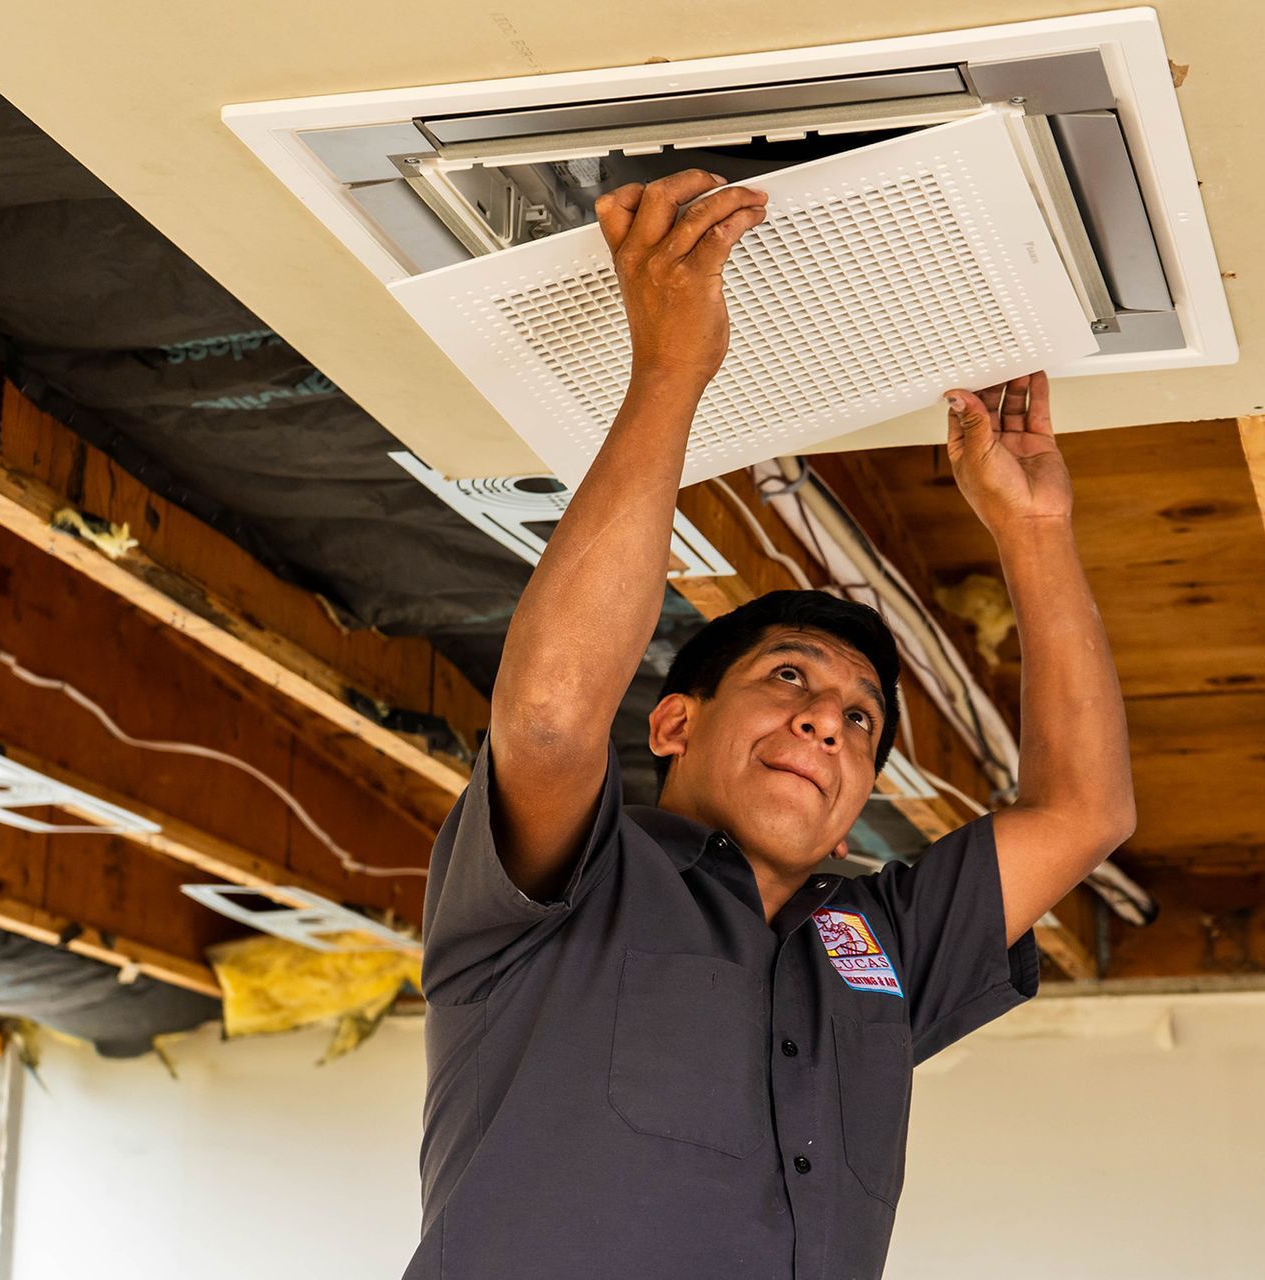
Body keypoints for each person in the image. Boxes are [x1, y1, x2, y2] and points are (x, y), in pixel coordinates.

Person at [401, 170, 1136, 1279]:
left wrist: (1035, 528)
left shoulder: (881, 944)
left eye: (858, 717)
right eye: (789, 676)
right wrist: (671, 370)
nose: (827, 721)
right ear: (675, 724)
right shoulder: (576, 880)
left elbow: (1084, 811)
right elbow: (550, 719)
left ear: (853, 815)